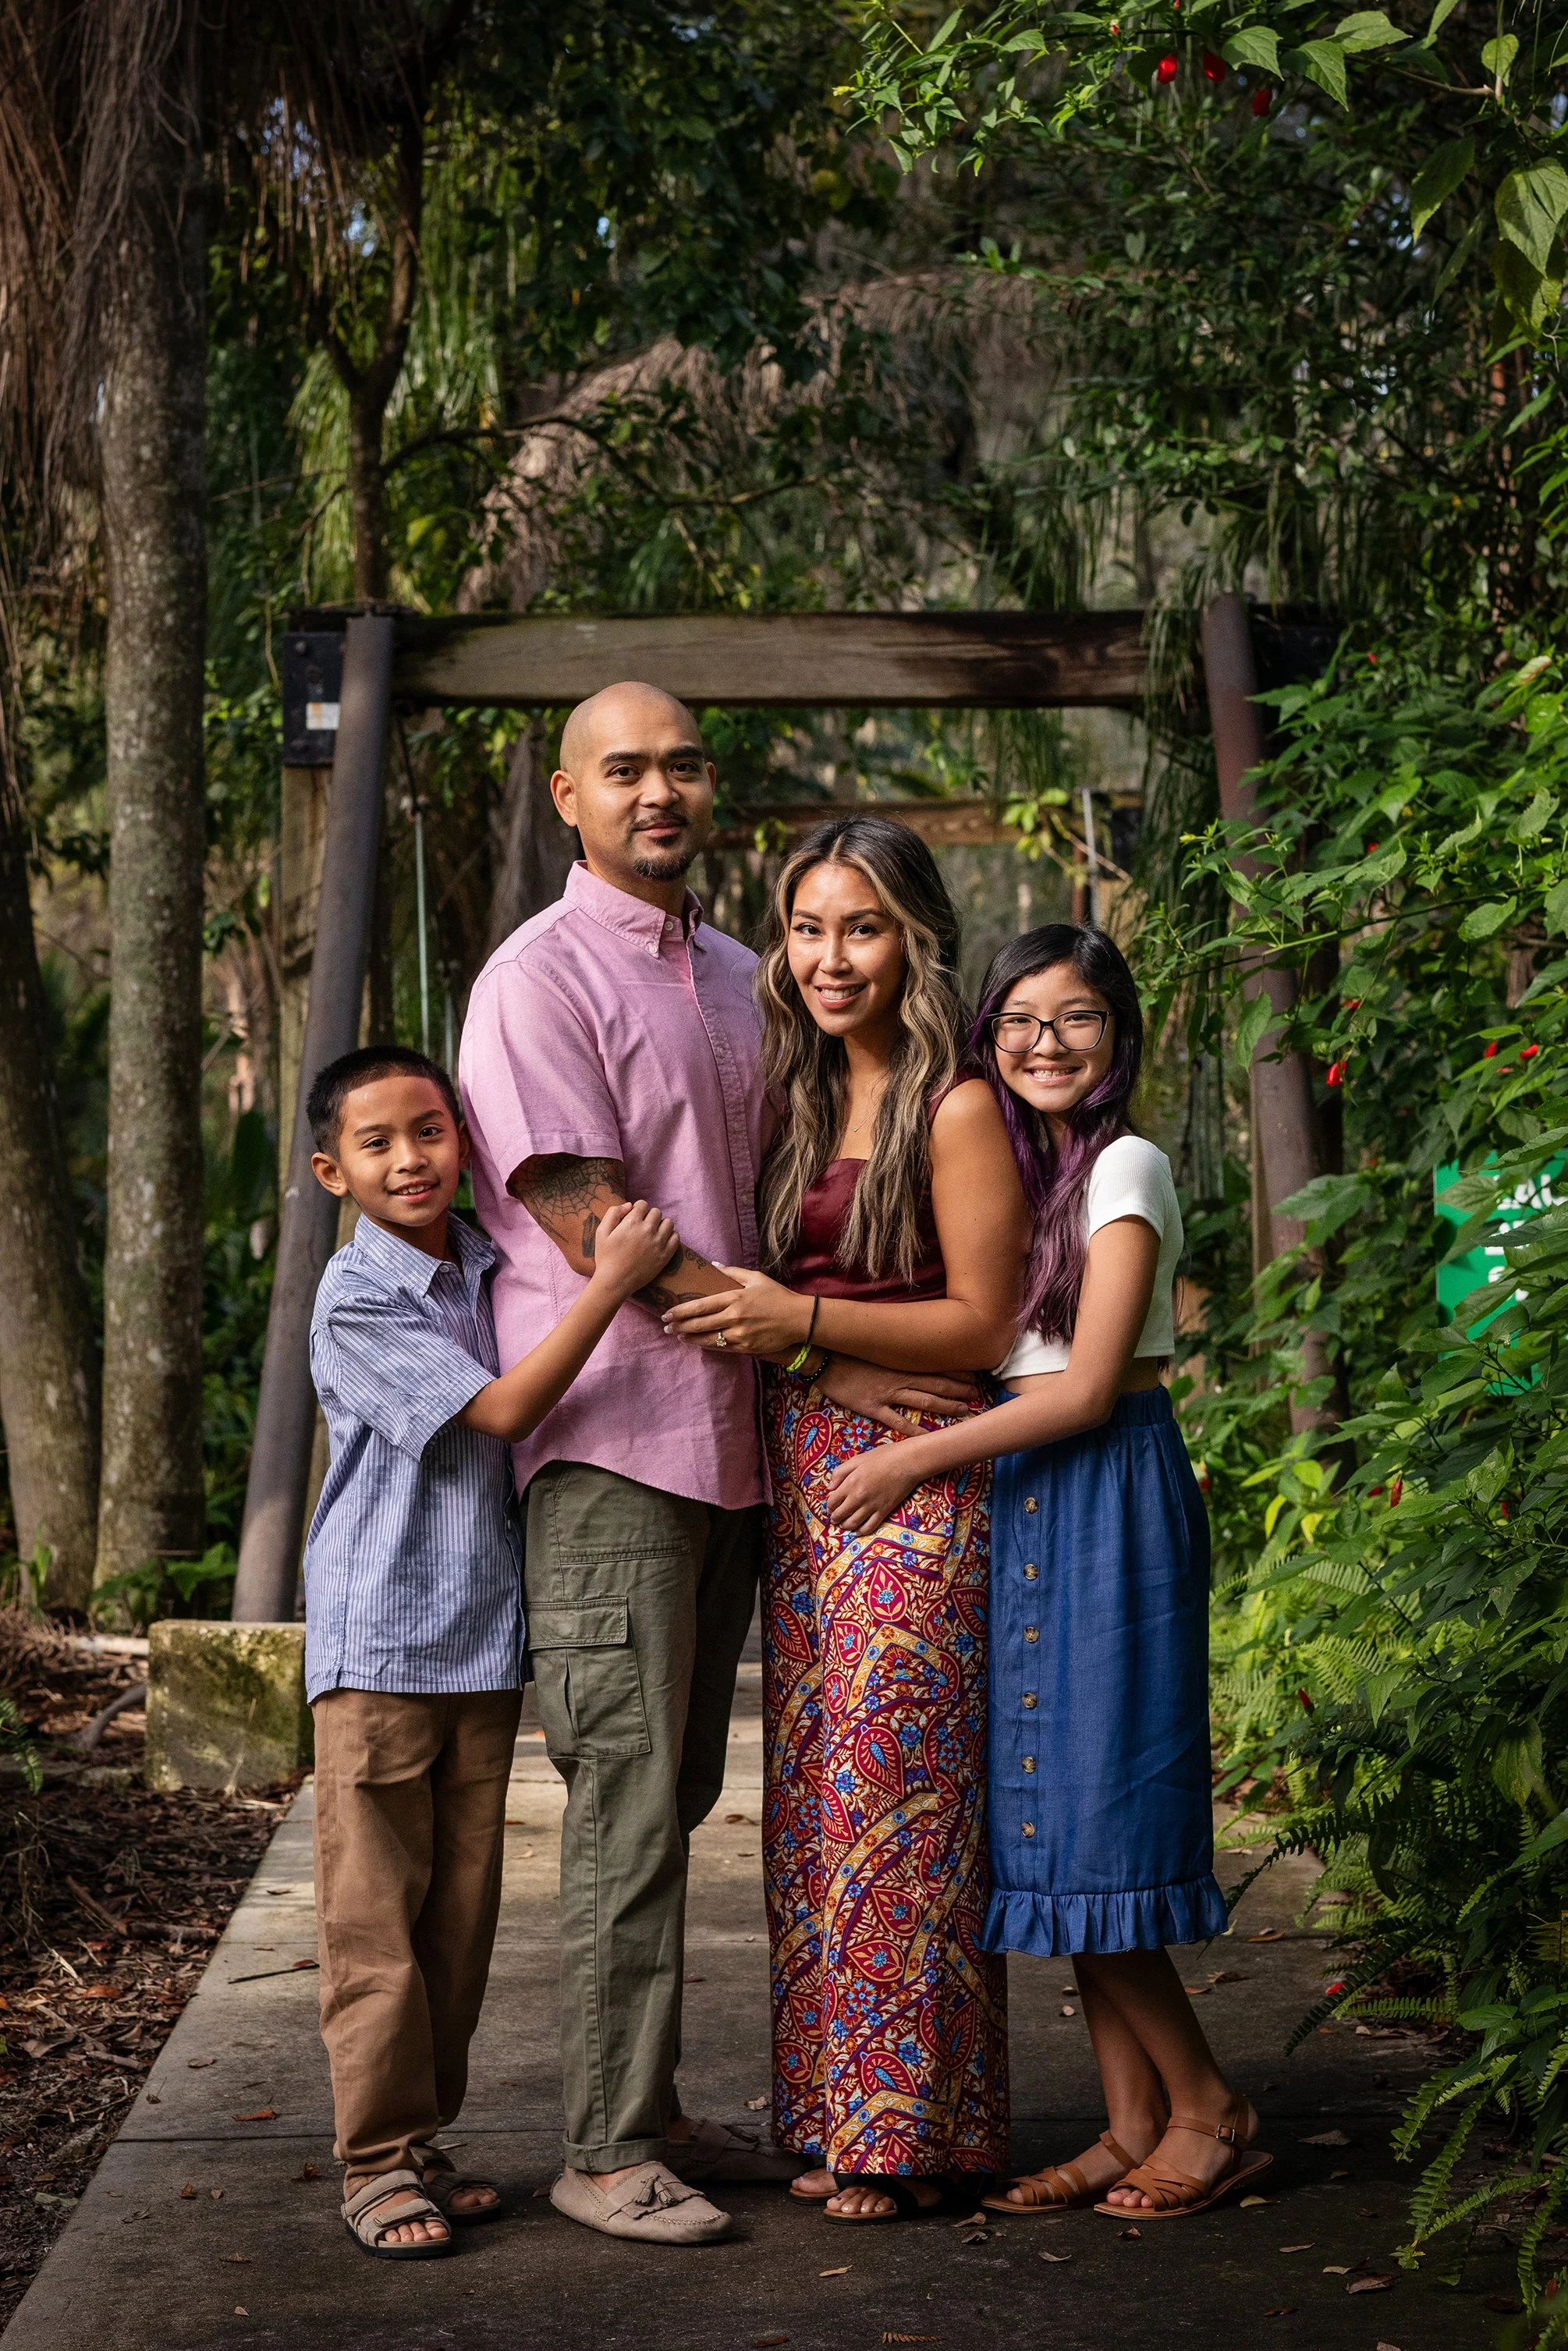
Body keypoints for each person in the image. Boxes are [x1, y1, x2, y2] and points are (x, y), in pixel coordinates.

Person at [458, 690, 967, 2244]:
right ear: (569, 795)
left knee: (677, 1787)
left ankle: (659, 2102)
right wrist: (835, 1354)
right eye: (626, 768)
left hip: (745, 1448)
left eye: (682, 762)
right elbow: (600, 1225)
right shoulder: (534, 982)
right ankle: (605, 2146)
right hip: (617, 1440)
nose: (659, 790)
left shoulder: (751, 975)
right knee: (622, 1795)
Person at [822, 925, 1272, 2222]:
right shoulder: (1025, 1167)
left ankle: (1208, 2108)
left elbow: (1079, 1389)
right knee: (1042, 1815)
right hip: (1029, 1494)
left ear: (1117, 1037)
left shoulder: (1125, 1163)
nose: (1043, 1044)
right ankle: (1132, 2121)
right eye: (1018, 1020)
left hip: (1102, 1483)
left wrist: (915, 1463)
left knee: (1087, 1811)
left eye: (1073, 1019)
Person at [663, 815, 1031, 2223]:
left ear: (914, 940)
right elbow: (772, 1318)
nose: (827, 957)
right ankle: (830, 2109)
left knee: (900, 1794)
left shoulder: (956, 1102)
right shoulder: (798, 1093)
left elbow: (986, 1318)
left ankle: (917, 2131)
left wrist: (802, 1321)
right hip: (804, 1462)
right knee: (816, 1806)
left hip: (924, 1458)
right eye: (806, 928)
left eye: (859, 927)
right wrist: (815, 1352)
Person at [301, 1043, 678, 2261]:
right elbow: (504, 1410)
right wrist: (611, 1282)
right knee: (374, 1923)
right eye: (377, 1142)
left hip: (478, 1647)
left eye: (428, 1129)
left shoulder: (485, 1257)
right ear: (330, 1171)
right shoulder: (356, 1299)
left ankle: (423, 2141)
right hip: (379, 1642)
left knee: (456, 1922)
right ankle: (373, 2162)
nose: (410, 1158)